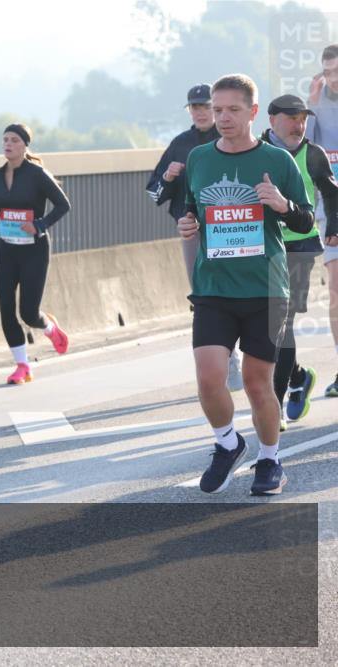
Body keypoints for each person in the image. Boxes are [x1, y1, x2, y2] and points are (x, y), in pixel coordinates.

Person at [178, 74, 314, 496]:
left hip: (267, 288)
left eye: (233, 110)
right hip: (214, 288)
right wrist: (188, 224)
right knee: (209, 378)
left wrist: (282, 204)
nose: (223, 118)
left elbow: (305, 219)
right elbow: (192, 212)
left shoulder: (278, 160)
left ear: (254, 113)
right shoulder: (199, 158)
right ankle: (227, 443)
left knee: (258, 383)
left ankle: (270, 460)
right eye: (217, 110)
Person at [147, 84, 243, 391]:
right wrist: (168, 177)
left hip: (230, 228)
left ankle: (235, 354)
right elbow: (153, 194)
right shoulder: (180, 143)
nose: (200, 112)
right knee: (202, 296)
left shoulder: (230, 139)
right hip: (192, 232)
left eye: (205, 107)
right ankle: (219, 361)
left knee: (236, 293)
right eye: (195, 107)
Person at [0, 123, 71, 384]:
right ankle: (22, 365)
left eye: (14, 140)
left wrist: (38, 225)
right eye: (5, 139)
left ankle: (49, 327)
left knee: (28, 312)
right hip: (7, 249)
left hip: (34, 250)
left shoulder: (37, 174)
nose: (8, 144)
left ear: (25, 145)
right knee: (5, 308)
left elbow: (63, 205)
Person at [260, 94, 338, 429]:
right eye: (292, 117)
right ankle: (299, 376)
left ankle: (273, 407)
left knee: (281, 324)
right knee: (259, 327)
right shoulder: (256, 151)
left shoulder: (313, 154)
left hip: (300, 247)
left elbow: (332, 192)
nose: (299, 124)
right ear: (272, 118)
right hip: (259, 246)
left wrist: (333, 224)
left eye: (303, 117)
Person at [306, 43, 338, 397]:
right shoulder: (317, 104)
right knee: (336, 292)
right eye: (327, 71)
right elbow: (304, 150)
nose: (332, 78)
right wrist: (312, 105)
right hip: (332, 209)